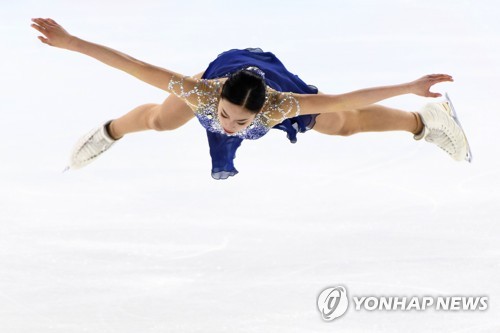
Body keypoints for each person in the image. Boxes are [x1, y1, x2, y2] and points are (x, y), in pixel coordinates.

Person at [31, 18, 472, 180]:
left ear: (263, 114)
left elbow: (347, 99)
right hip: (227, 69)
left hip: (272, 79)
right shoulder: (201, 90)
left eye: (240, 124)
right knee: (162, 121)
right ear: (218, 97)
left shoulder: (283, 105)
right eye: (226, 117)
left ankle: (426, 121)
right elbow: (130, 64)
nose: (228, 126)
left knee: (345, 123)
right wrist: (72, 43)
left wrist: (410, 86)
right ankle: (108, 133)